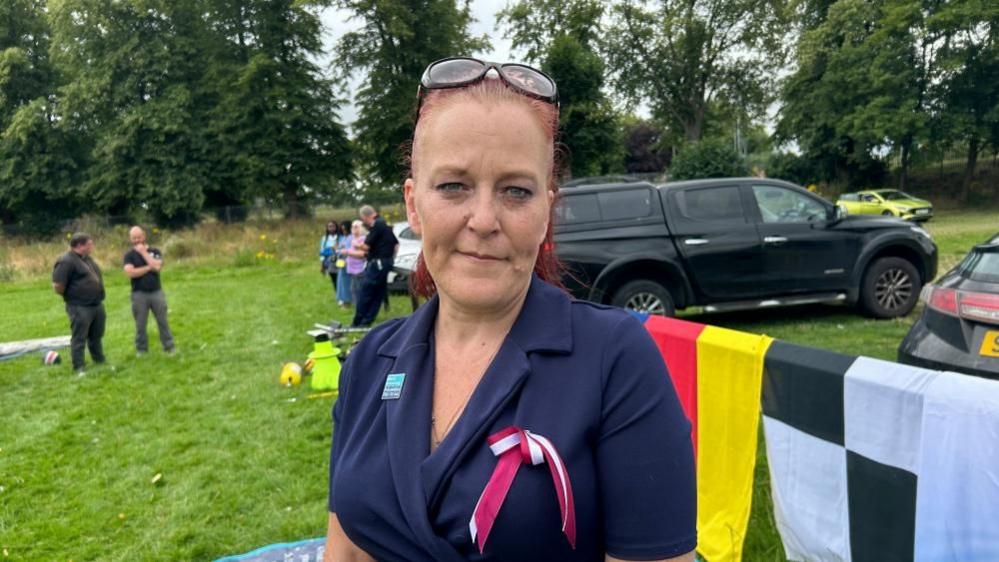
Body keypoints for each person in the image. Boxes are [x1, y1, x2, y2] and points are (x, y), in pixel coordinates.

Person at [325, 58, 696, 562]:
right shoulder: (369, 362)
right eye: (453, 185)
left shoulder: (614, 360)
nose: (483, 220)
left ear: (546, 209)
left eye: (516, 191)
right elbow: (345, 549)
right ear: (413, 204)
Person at [52, 233, 106, 373]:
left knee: (96, 335)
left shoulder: (86, 259)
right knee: (79, 337)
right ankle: (79, 366)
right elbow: (58, 286)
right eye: (89, 244)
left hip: (96, 304)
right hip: (79, 306)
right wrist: (74, 297)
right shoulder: (66, 261)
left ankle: (99, 360)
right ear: (80, 245)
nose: (91, 247)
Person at [123, 225, 175, 355]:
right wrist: (148, 267)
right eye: (134, 238)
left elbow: (157, 267)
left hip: (156, 292)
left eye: (139, 237)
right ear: (130, 239)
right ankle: (141, 349)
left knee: (162, 321)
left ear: (144, 236)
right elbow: (130, 272)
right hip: (138, 294)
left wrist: (143, 253)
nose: (137, 240)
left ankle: (169, 346)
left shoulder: (155, 251)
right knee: (140, 324)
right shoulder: (129, 255)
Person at [350, 204, 398, 327]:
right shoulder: (385, 225)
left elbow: (366, 246)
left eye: (363, 219)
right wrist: (391, 258)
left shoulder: (377, 225)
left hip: (377, 263)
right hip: (386, 263)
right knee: (378, 293)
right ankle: (367, 321)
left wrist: (355, 245)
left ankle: (357, 322)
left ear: (365, 217)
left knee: (366, 292)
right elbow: (396, 244)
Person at [345, 220, 367, 307]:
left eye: (356, 227)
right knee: (353, 289)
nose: (353, 229)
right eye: (352, 227)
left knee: (359, 290)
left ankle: (362, 308)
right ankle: (357, 308)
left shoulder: (363, 239)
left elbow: (362, 254)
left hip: (359, 269)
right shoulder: (353, 239)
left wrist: (348, 252)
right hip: (352, 269)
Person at [335, 220, 354, 308]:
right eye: (342, 230)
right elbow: (339, 248)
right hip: (341, 261)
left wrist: (341, 250)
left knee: (347, 282)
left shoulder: (351, 237)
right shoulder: (342, 238)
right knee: (340, 281)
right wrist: (337, 249)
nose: (344, 231)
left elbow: (349, 249)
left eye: (345, 229)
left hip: (348, 261)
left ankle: (348, 301)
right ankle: (342, 299)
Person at [319, 221, 339, 299]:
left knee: (340, 277)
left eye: (333, 226)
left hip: (339, 260)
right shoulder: (324, 238)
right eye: (329, 226)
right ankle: (338, 294)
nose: (331, 228)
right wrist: (322, 265)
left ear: (336, 227)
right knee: (334, 278)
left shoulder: (340, 237)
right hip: (329, 261)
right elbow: (322, 251)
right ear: (327, 228)